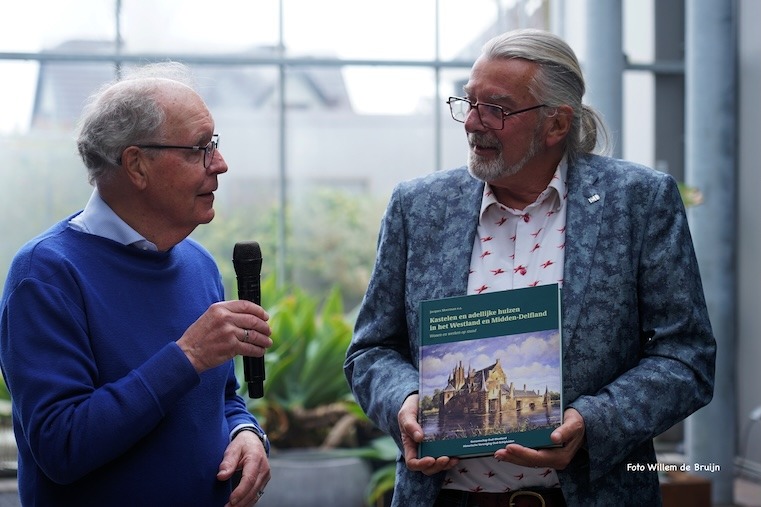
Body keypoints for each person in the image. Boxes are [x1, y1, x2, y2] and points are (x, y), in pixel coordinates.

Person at [344, 28, 716, 506]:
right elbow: (371, 349)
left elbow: (686, 355)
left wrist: (594, 422)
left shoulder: (638, 202)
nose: (472, 122)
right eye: (469, 102)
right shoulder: (418, 207)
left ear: (556, 124)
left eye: (495, 109)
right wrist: (404, 402)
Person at [0, 62, 273, 506]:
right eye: (199, 149)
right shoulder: (46, 274)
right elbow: (61, 446)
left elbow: (223, 398)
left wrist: (245, 432)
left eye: (215, 145)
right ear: (137, 165)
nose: (220, 165)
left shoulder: (200, 264)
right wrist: (187, 356)